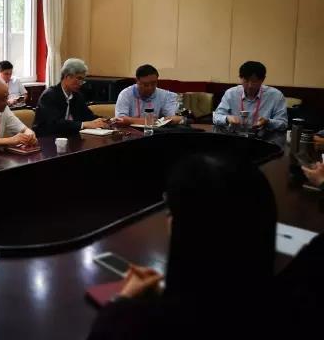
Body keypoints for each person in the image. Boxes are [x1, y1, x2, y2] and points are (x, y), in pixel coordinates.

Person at [87, 153, 277, 340]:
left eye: (171, 209)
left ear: (188, 228)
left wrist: (122, 300)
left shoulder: (131, 327)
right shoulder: (274, 308)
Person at [33, 58, 109, 136]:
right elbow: (55, 123)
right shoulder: (49, 95)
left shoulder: (77, 96)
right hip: (47, 139)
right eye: (79, 78)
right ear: (67, 77)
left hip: (70, 137)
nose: (81, 83)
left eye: (82, 80)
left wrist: (107, 121)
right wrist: (84, 124)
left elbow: (88, 116)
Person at [213, 61, 288, 131]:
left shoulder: (276, 96)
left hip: (265, 137)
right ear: (240, 78)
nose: (250, 86)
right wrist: (227, 118)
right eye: (246, 81)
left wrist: (268, 122)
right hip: (235, 136)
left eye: (254, 81)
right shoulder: (231, 93)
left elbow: (283, 123)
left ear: (262, 79)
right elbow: (216, 116)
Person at [114, 64, 182, 126]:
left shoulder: (165, 95)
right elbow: (120, 119)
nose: (150, 88)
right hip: (132, 132)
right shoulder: (125, 94)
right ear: (137, 81)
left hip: (155, 132)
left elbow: (175, 117)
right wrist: (147, 121)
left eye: (153, 83)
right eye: (146, 85)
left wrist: (130, 120)